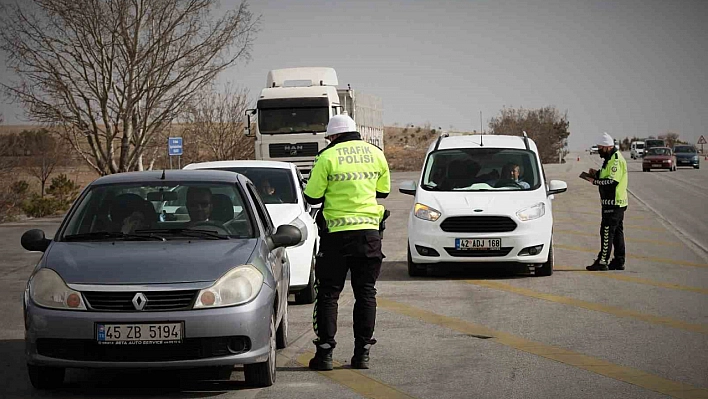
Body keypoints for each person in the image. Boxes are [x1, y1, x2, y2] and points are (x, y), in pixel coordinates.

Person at [303, 114, 390, 371]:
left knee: (328, 295)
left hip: (335, 237)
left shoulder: (327, 157)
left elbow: (312, 196)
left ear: (332, 135)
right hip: (369, 236)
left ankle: (325, 354)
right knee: (366, 293)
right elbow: (382, 192)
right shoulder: (376, 154)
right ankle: (362, 353)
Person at [583, 132, 628, 271]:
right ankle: (619, 261)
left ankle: (602, 261)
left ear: (607, 147)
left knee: (607, 231)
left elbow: (612, 181)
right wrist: (596, 173)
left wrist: (594, 181)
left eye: (600, 148)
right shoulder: (609, 159)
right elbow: (606, 175)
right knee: (617, 233)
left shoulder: (615, 160)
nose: (599, 151)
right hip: (613, 203)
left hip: (614, 203)